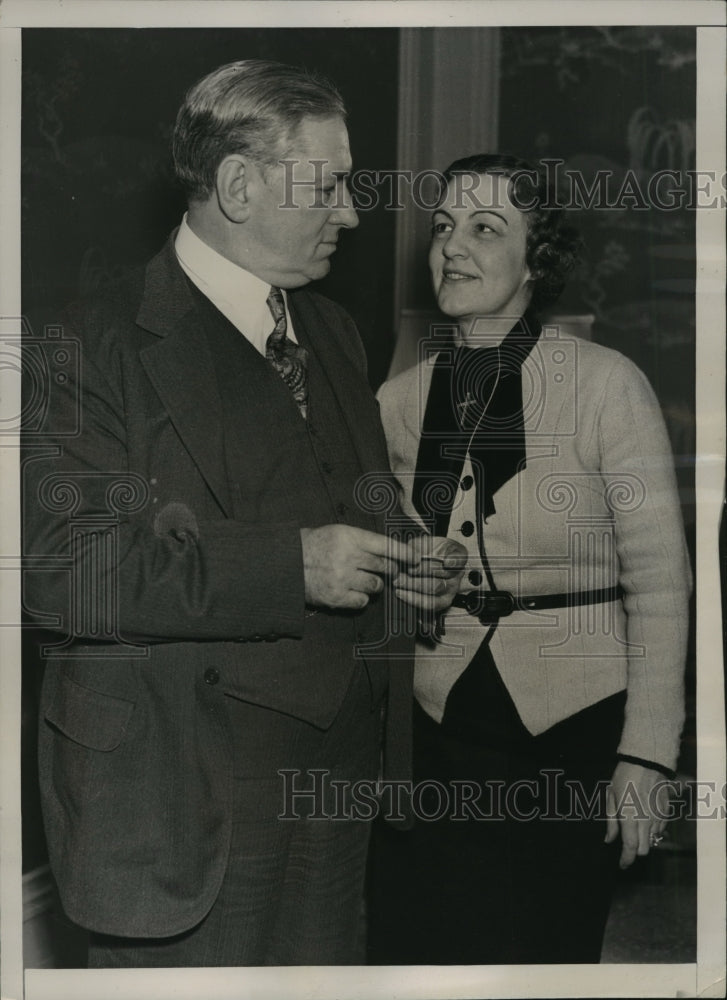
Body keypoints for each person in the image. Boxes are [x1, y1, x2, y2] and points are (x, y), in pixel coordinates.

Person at [21, 59, 465, 968]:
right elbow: (64, 568)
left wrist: (408, 553)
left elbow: (354, 495)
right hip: (186, 791)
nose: (350, 212)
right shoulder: (82, 344)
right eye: (330, 185)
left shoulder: (332, 330)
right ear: (236, 183)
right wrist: (292, 566)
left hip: (338, 779)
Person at [367, 153, 691, 964]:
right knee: (422, 950)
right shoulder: (399, 400)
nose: (452, 246)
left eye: (484, 228)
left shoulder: (607, 386)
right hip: (437, 720)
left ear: (533, 260)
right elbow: (381, 554)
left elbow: (661, 583)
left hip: (573, 725)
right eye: (443, 227)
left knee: (543, 951)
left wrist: (646, 756)